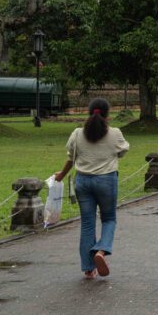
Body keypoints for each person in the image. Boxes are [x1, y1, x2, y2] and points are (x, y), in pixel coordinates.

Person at [54, 98, 130, 279]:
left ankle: (88, 268)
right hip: (106, 180)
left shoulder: (77, 133)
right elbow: (123, 151)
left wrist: (61, 176)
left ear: (89, 112)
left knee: (87, 224)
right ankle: (101, 251)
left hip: (83, 181)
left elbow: (70, 158)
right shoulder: (115, 133)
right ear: (107, 115)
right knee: (109, 219)